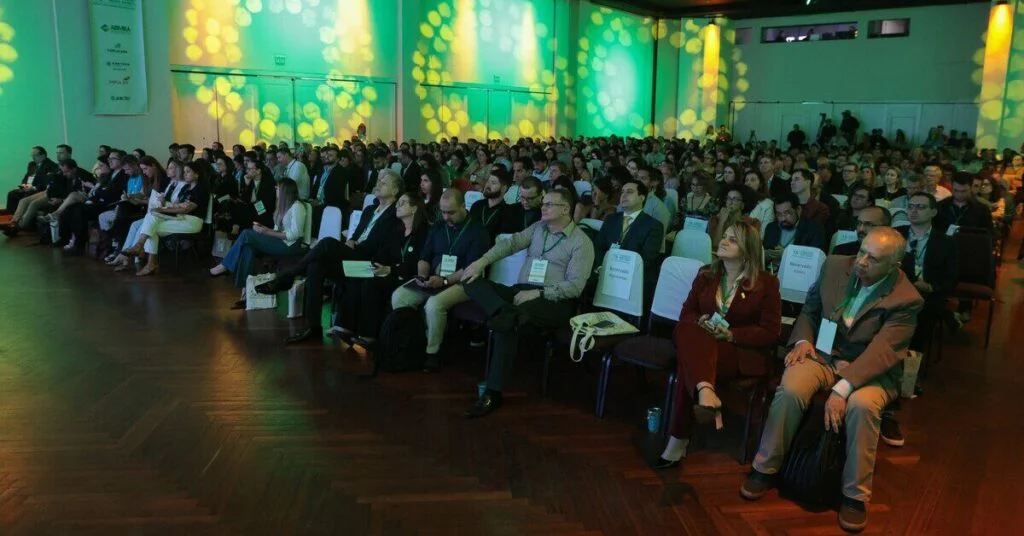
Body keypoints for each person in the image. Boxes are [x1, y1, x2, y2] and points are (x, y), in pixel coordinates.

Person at [741, 227, 924, 533]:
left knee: (862, 407)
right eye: (862, 251)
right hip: (824, 353)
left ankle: (854, 495)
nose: (862, 261)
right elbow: (811, 310)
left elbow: (883, 352)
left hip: (870, 368)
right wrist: (802, 341)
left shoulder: (906, 299)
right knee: (790, 389)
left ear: (894, 266)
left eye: (873, 258)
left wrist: (842, 387)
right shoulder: (836, 265)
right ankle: (765, 467)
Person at [654, 221, 781, 469]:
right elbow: (686, 314)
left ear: (748, 248)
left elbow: (771, 332)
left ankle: (678, 440)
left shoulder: (767, 283)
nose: (723, 241)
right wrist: (701, 321)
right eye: (724, 236)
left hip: (738, 352)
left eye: (732, 239)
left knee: (688, 363)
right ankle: (705, 391)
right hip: (702, 343)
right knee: (687, 330)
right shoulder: (706, 274)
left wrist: (731, 334)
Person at [460, 188, 595, 417]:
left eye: (549, 204)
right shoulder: (537, 228)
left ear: (565, 209)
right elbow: (510, 244)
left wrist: (538, 294)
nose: (543, 207)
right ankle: (504, 311)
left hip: (553, 301)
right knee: (470, 281)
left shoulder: (581, 243)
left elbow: (574, 287)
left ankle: (493, 393)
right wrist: (481, 262)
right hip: (520, 293)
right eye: (543, 203)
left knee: (510, 320)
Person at [254, 170, 405, 340]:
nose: (378, 184)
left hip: (369, 262)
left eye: (384, 183)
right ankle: (313, 328)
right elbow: (357, 234)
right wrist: (352, 240)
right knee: (316, 265)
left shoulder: (396, 215)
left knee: (326, 242)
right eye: (378, 180)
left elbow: (382, 245)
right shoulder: (370, 209)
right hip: (354, 256)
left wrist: (356, 245)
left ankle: (288, 275)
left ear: (395, 191)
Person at [390, 189, 490, 371]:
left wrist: (444, 281)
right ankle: (411, 341)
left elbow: (470, 268)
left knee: (434, 304)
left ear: (463, 207)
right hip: (434, 278)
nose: (446, 217)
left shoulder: (478, 231)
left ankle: (432, 352)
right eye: (443, 212)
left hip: (465, 282)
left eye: (451, 212)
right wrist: (422, 276)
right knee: (400, 296)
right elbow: (425, 256)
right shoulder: (437, 227)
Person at [334, 193, 431, 346]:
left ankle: (369, 335)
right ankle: (346, 326)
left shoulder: (423, 233)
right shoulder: (396, 230)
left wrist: (390, 269)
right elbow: (383, 253)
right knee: (356, 273)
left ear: (414, 208)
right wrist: (375, 265)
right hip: (387, 270)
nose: (397, 206)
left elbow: (416, 263)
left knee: (371, 284)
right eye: (398, 202)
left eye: (402, 203)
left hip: (406, 276)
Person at [210, 178, 308, 290]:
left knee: (246, 234)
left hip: (290, 245)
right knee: (248, 246)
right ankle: (245, 287)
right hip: (281, 241)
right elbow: (277, 230)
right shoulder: (282, 205)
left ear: (285, 190)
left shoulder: (297, 207)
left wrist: (266, 232)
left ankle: (225, 265)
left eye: (277, 188)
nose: (275, 189)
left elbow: (295, 235)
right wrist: (265, 229)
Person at [121, 161, 209, 276]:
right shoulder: (186, 188)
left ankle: (144, 253)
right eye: (185, 171)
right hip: (181, 218)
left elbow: (186, 209)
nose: (185, 174)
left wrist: (163, 209)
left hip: (193, 222)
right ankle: (145, 255)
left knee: (151, 227)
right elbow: (176, 205)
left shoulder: (201, 189)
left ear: (197, 174)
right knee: (151, 221)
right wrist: (164, 204)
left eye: (188, 172)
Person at [592, 180, 664, 275]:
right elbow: (598, 247)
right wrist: (601, 267)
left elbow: (646, 259)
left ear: (641, 198)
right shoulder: (611, 219)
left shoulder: (654, 226)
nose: (624, 195)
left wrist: (618, 272)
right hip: (604, 271)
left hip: (631, 276)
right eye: (622, 192)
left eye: (629, 192)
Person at [762, 192, 827, 267]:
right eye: (779, 214)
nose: (783, 218)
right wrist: (765, 255)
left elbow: (816, 258)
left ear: (798, 210)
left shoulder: (813, 228)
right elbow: (765, 252)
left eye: (787, 213)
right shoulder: (771, 228)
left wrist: (788, 254)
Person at [469, 167, 524, 244]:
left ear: (503, 188)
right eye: (488, 181)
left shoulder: (508, 213)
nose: (487, 185)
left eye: (493, 183)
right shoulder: (477, 205)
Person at [743, 169, 775, 234]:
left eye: (752, 180)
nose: (748, 183)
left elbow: (765, 232)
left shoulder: (768, 204)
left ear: (760, 184)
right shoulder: (740, 201)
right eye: (746, 180)